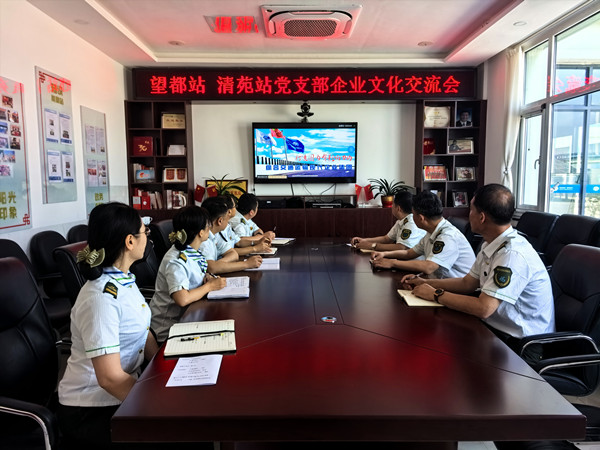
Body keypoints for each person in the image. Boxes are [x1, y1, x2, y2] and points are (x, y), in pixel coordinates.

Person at [57, 202, 159, 450]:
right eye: (144, 231)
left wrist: (163, 366)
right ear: (130, 241)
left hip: (124, 388)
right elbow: (110, 379)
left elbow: (143, 330)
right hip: (93, 408)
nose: (148, 237)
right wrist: (157, 405)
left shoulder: (123, 279)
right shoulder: (100, 299)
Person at [402, 184, 555, 347]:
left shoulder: (512, 254)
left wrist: (435, 294)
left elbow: (484, 308)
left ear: (481, 217)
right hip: (494, 329)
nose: (469, 215)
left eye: (471, 210)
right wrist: (426, 283)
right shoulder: (491, 244)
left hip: (521, 343)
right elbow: (467, 283)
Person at [150, 205, 227, 344]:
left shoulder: (191, 252)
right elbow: (182, 299)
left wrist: (205, 279)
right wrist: (209, 286)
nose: (210, 229)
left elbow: (192, 277)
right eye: (208, 226)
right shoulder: (175, 260)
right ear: (200, 233)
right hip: (169, 329)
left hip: (189, 317)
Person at [371, 190, 475, 278]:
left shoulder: (447, 236)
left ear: (421, 218)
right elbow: (409, 253)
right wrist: (385, 254)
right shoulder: (432, 231)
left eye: (413, 214)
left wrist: (392, 263)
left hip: (460, 291)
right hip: (440, 283)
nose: (411, 218)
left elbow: (429, 267)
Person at [200, 196, 263, 273]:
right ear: (220, 221)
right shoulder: (203, 240)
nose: (228, 223)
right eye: (227, 220)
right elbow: (212, 268)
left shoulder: (215, 234)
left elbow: (234, 254)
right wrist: (246, 264)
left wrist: (218, 265)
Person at [351, 190, 426, 251]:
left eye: (393, 204)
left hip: (413, 262)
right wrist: (364, 240)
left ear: (398, 208)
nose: (391, 207)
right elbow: (387, 239)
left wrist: (372, 246)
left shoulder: (411, 223)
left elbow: (402, 247)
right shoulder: (401, 221)